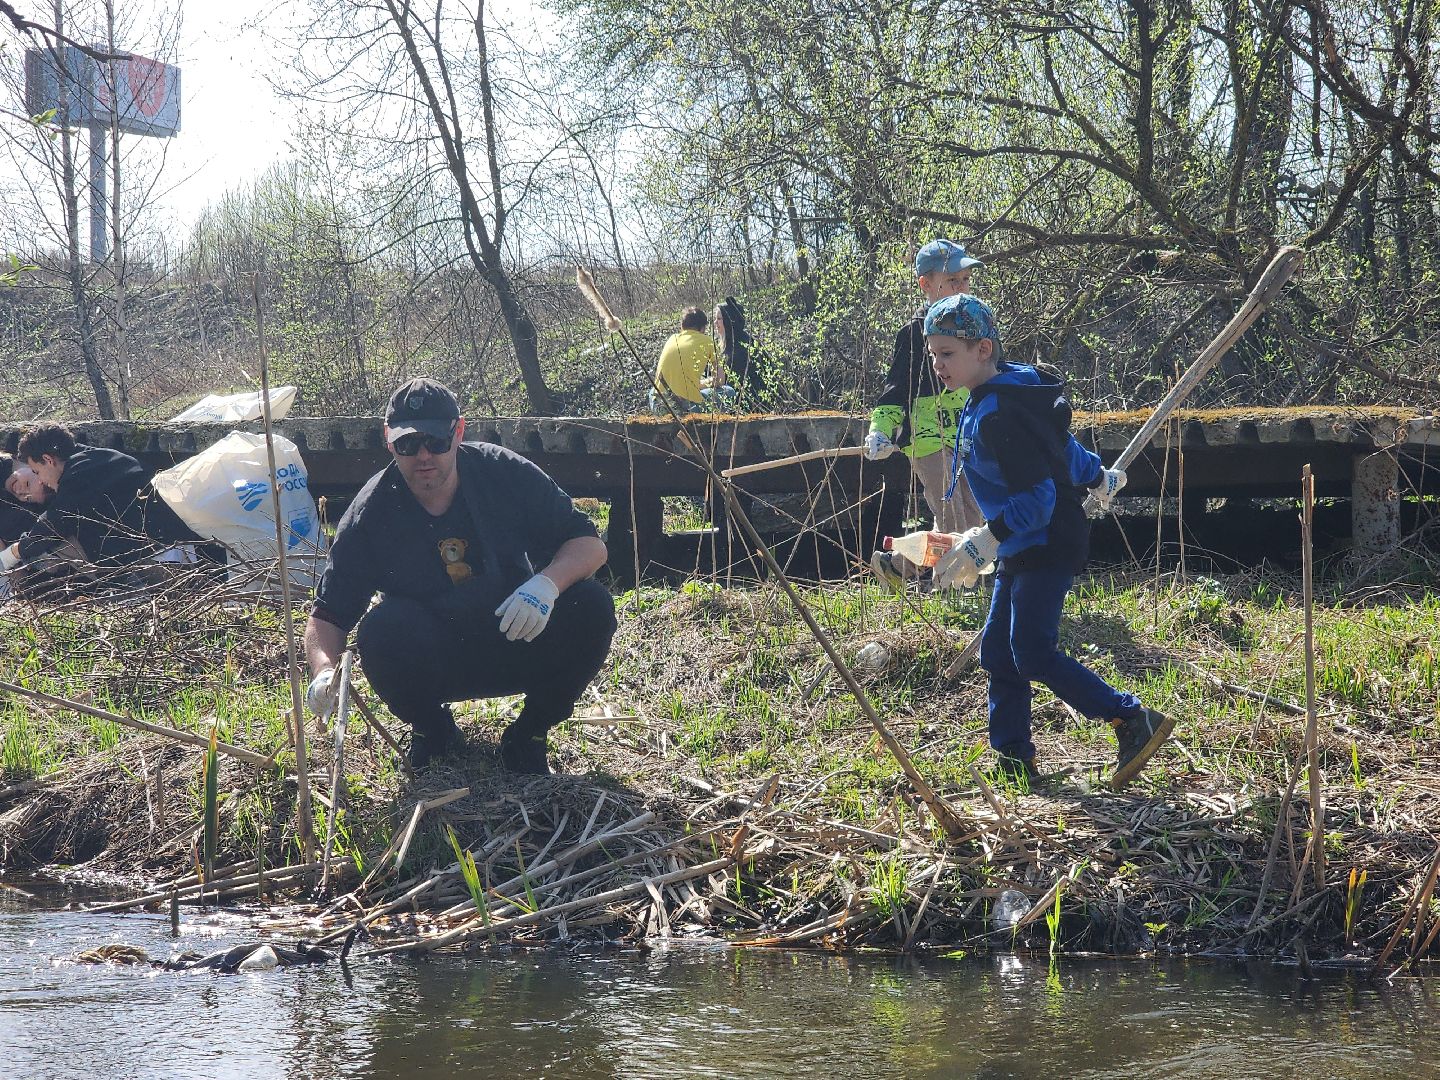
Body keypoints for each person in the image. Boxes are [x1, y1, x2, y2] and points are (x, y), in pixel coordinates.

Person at [303, 377, 617, 772]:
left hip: (517, 632)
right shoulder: (370, 514)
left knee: (592, 605)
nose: (424, 456)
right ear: (388, 440)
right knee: (379, 631)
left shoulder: (503, 473)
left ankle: (530, 733)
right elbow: (327, 616)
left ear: (460, 431)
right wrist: (324, 671)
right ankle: (433, 730)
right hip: (436, 655)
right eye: (407, 445)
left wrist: (546, 584)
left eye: (436, 441)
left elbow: (590, 544)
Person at [923, 293, 1170, 791]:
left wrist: (986, 539)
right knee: (997, 652)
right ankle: (1013, 756)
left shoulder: (1003, 412)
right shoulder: (991, 400)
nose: (937, 365)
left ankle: (1131, 718)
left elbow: (1037, 498)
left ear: (983, 349)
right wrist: (1096, 474)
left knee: (1031, 652)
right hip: (1020, 543)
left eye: (947, 353)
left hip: (1048, 540)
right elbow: (1061, 450)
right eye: (933, 354)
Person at [867, 239, 986, 589]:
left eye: (965, 280)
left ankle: (897, 565)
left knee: (974, 510)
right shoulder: (913, 335)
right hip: (926, 438)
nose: (962, 288)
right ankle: (955, 589)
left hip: (963, 435)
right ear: (926, 285)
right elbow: (894, 389)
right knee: (953, 513)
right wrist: (881, 428)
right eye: (953, 281)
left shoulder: (973, 328)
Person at [0, 424, 205, 585]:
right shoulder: (94, 459)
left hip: (168, 557)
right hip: (165, 548)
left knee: (61, 545)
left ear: (48, 459)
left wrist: (12, 554)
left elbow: (52, 526)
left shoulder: (78, 475)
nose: (41, 481)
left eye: (36, 472)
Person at [650, 307, 735, 415]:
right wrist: (700, 384)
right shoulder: (707, 342)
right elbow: (719, 380)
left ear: (682, 326)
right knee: (729, 392)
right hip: (685, 408)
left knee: (651, 391)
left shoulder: (672, 338)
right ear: (702, 328)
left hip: (658, 404)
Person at [713, 296, 765, 401]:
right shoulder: (724, 344)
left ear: (729, 321)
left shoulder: (742, 347)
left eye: (719, 319)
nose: (715, 323)